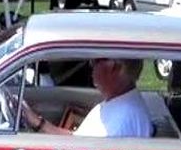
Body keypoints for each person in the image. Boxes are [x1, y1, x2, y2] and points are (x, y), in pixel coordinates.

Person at [21, 57, 152, 138]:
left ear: (114, 67)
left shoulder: (121, 122)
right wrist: (37, 123)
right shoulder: (119, 103)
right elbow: (78, 141)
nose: (90, 65)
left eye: (96, 60)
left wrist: (37, 124)